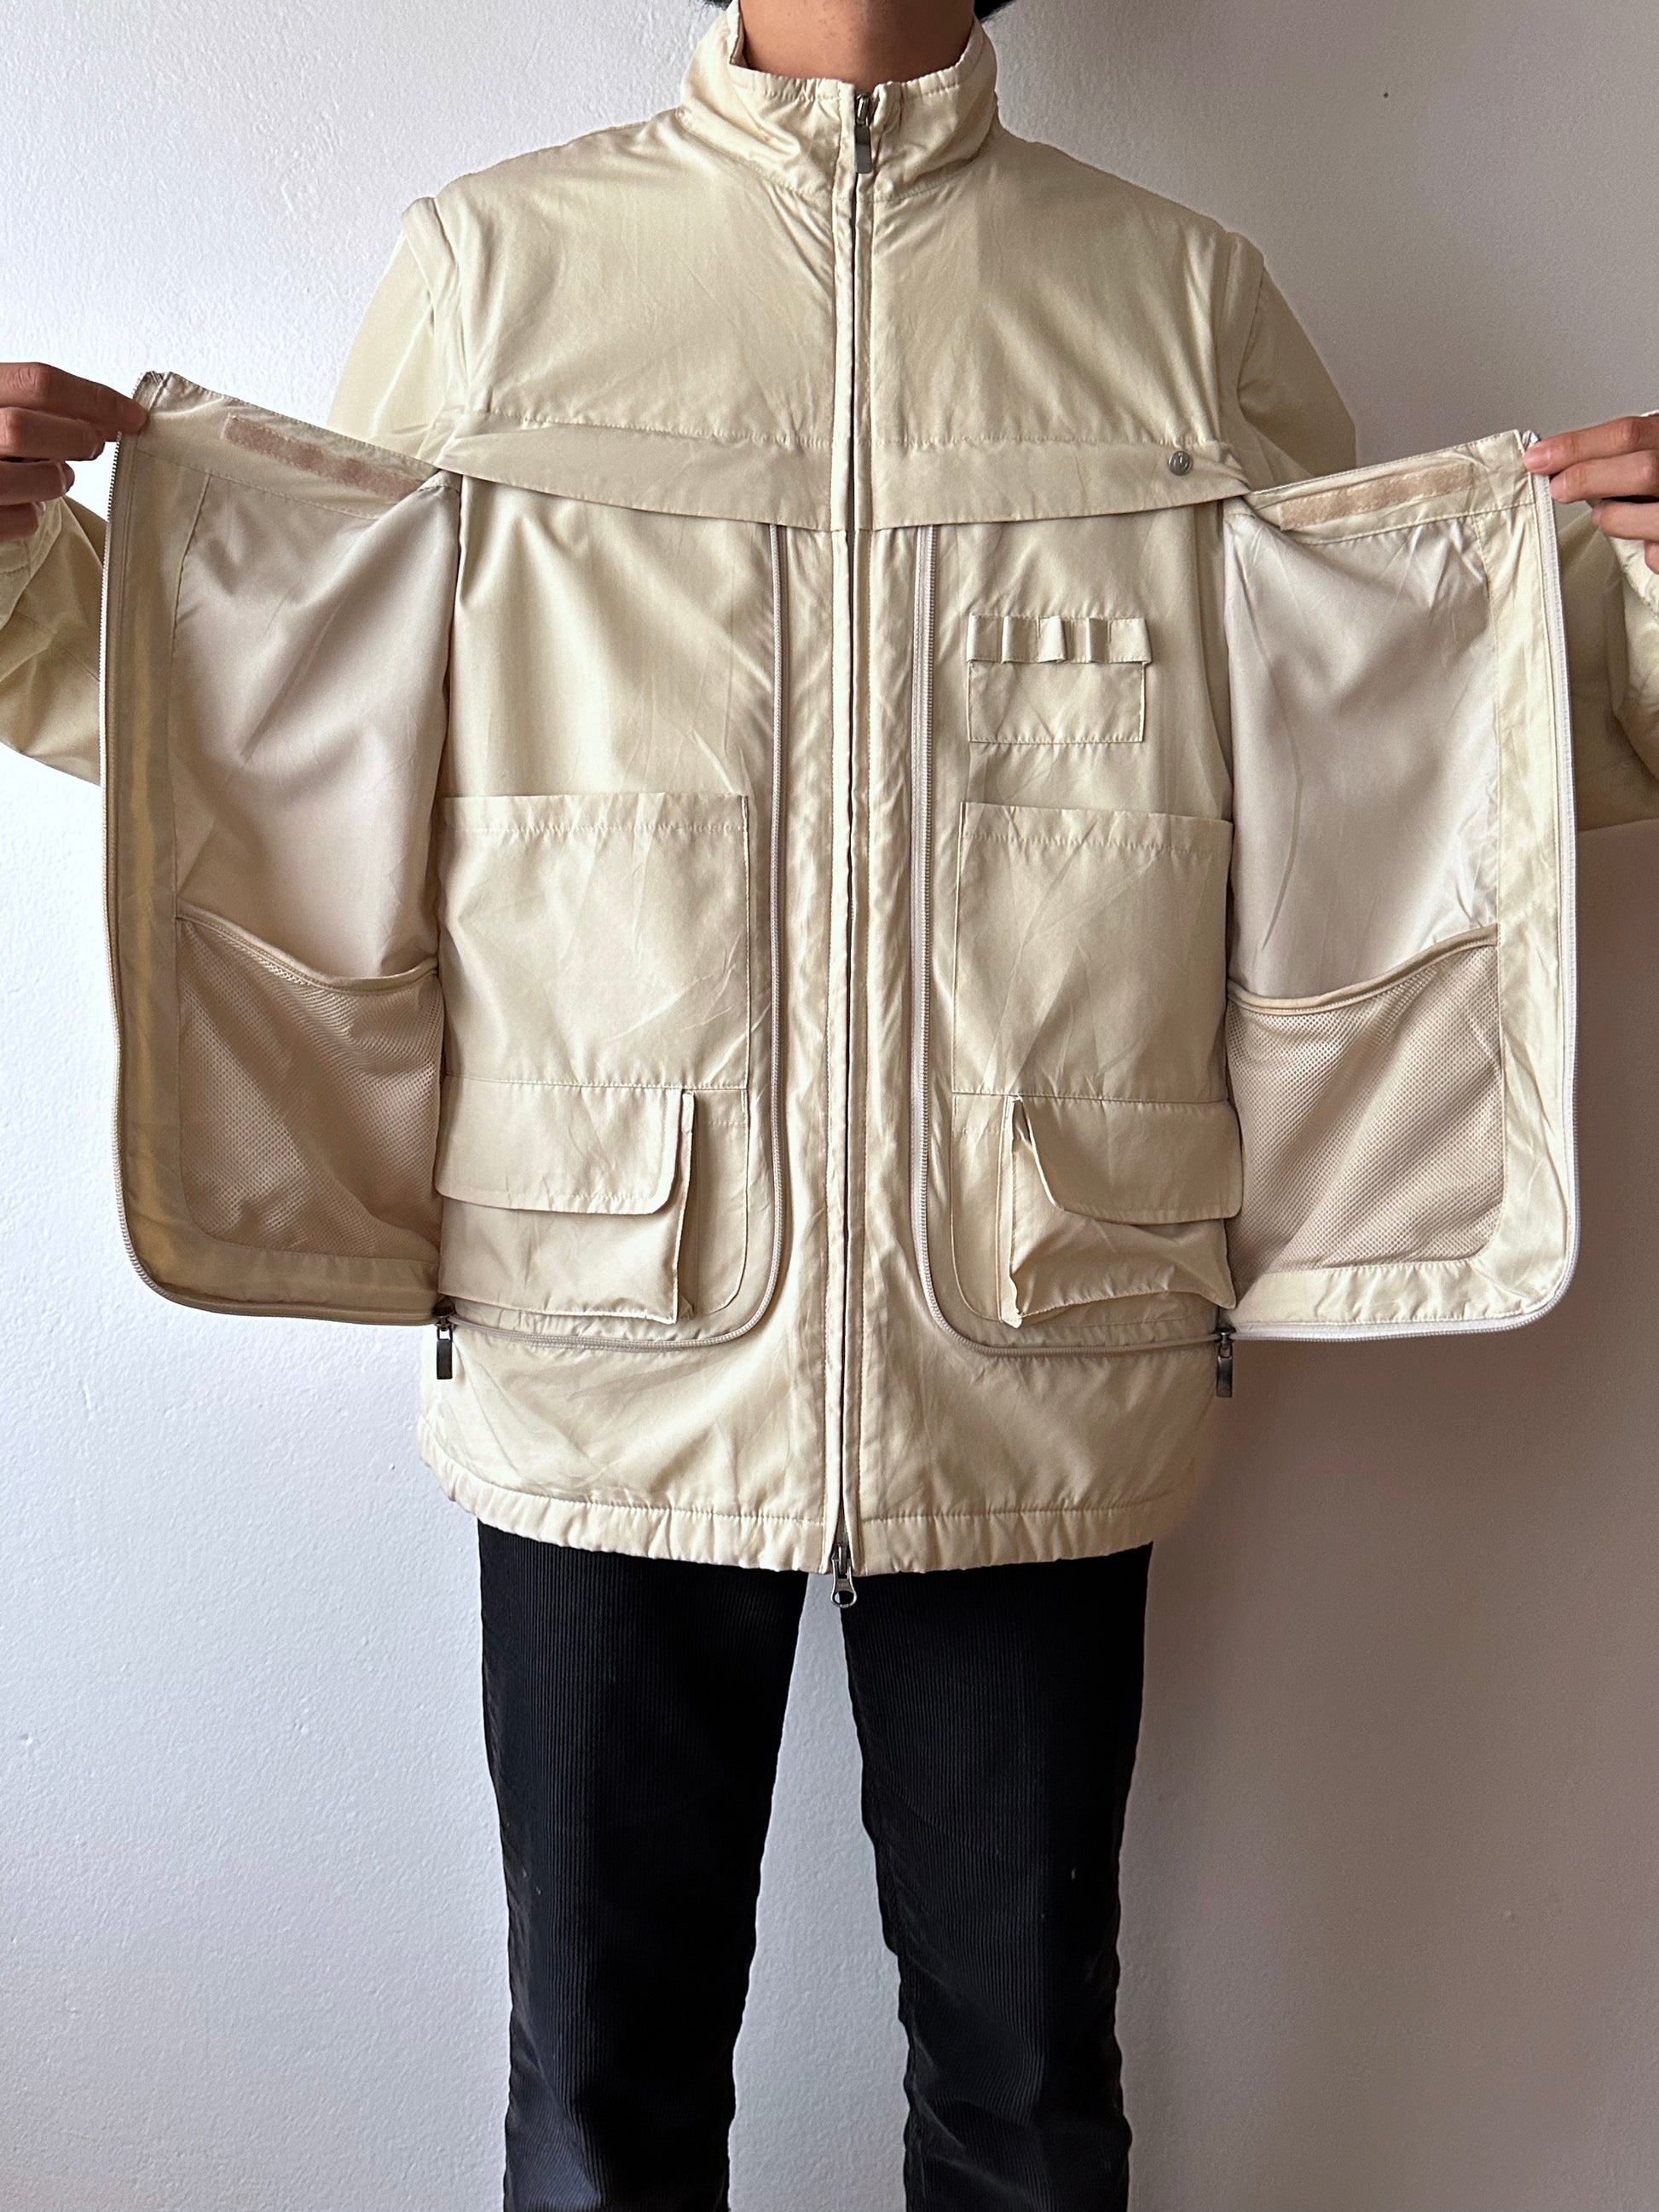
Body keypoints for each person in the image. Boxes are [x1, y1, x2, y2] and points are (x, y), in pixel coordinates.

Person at [2, 3, 1656, 2207]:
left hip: (1043, 1321)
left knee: (1027, 2097)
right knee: (597, 2097)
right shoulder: (499, 269)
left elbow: (1393, 741)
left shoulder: (1176, 296)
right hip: (597, 1312)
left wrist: (1653, 599)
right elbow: (280, 702)